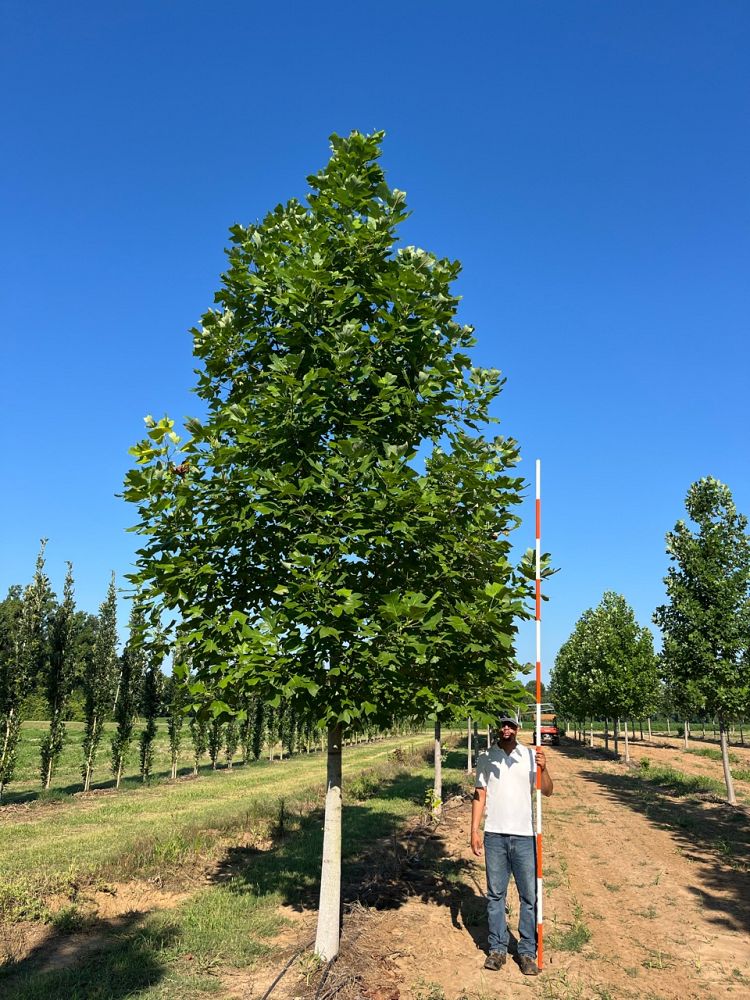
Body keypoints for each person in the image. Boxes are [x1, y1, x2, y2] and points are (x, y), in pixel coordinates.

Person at [470, 712, 553, 976]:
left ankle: (527, 951)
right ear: (498, 727)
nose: (506, 728)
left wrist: (543, 768)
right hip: (494, 835)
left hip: (524, 836)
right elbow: (479, 795)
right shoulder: (486, 757)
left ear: (518, 728)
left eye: (511, 725)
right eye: (502, 724)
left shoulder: (530, 756)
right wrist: (474, 830)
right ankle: (497, 948)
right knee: (496, 895)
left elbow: (548, 790)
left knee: (529, 895)